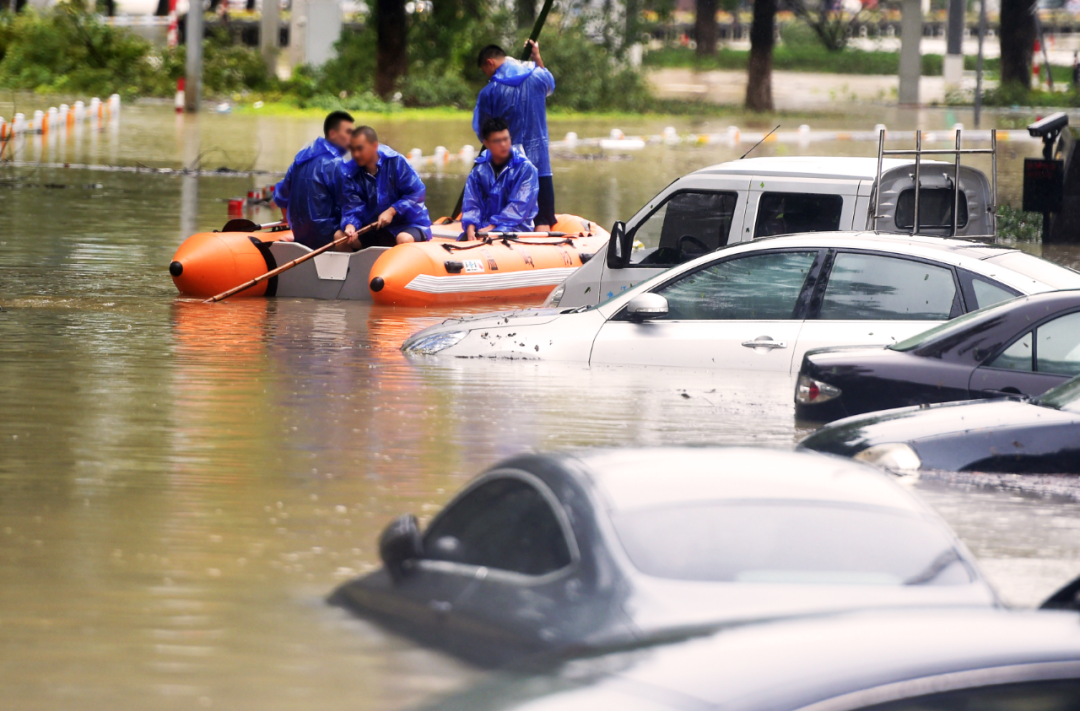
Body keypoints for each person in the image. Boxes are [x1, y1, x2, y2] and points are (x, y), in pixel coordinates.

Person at [473, 41, 555, 231]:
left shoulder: (490, 91)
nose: (487, 75)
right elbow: (550, 86)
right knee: (542, 219)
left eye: (485, 71)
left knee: (505, 215)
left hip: (507, 165)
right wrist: (537, 58)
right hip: (540, 162)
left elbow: (483, 129)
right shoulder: (537, 76)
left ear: (490, 62)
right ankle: (541, 241)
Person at [336, 126, 432, 251]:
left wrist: (392, 210)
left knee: (403, 239)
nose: (356, 154)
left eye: (360, 149)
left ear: (374, 146)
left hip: (408, 224)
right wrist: (350, 226)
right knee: (340, 237)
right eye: (353, 150)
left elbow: (416, 193)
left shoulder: (397, 162)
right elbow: (353, 206)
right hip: (375, 227)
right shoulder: (350, 173)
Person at [273, 111, 354, 249]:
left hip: (301, 237)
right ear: (333, 133)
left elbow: (282, 196)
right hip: (329, 237)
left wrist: (286, 219)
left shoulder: (299, 161)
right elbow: (351, 203)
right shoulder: (338, 165)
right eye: (348, 132)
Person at [461, 117, 539, 241]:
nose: (503, 144)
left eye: (506, 139)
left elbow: (520, 205)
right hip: (485, 228)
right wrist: (470, 228)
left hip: (516, 229)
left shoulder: (526, 169)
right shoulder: (478, 172)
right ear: (486, 143)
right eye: (497, 141)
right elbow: (472, 203)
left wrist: (493, 227)